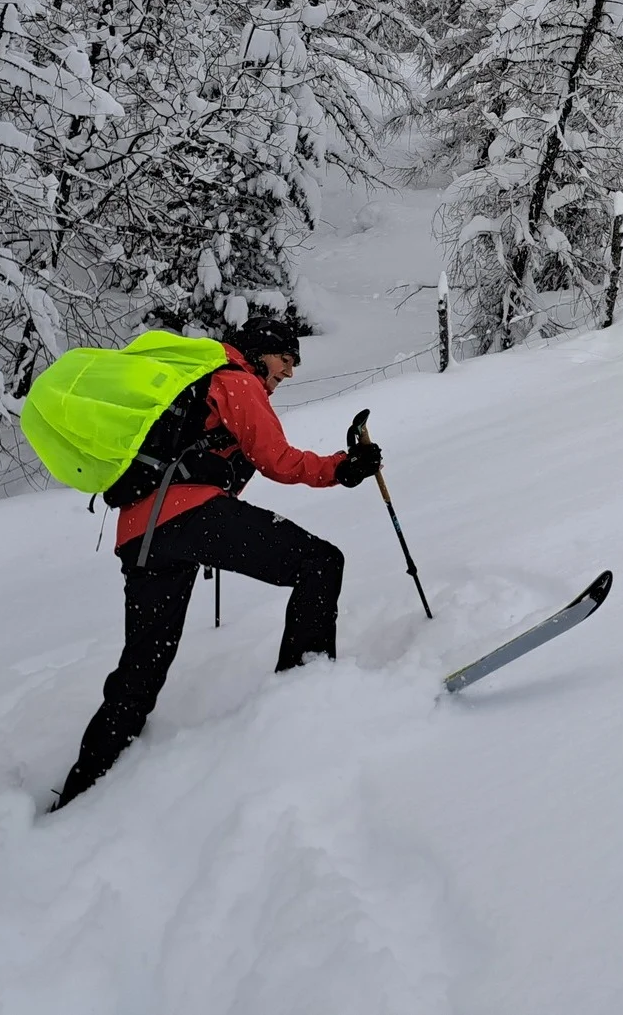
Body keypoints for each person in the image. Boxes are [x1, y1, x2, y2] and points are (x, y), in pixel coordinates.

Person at [51, 315, 382, 809]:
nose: (289, 372)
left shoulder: (201, 387)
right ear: (260, 352)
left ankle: (80, 792)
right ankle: (305, 701)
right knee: (320, 562)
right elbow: (277, 459)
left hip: (141, 536)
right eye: (285, 359)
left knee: (142, 668)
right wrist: (343, 467)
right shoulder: (235, 378)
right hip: (188, 516)